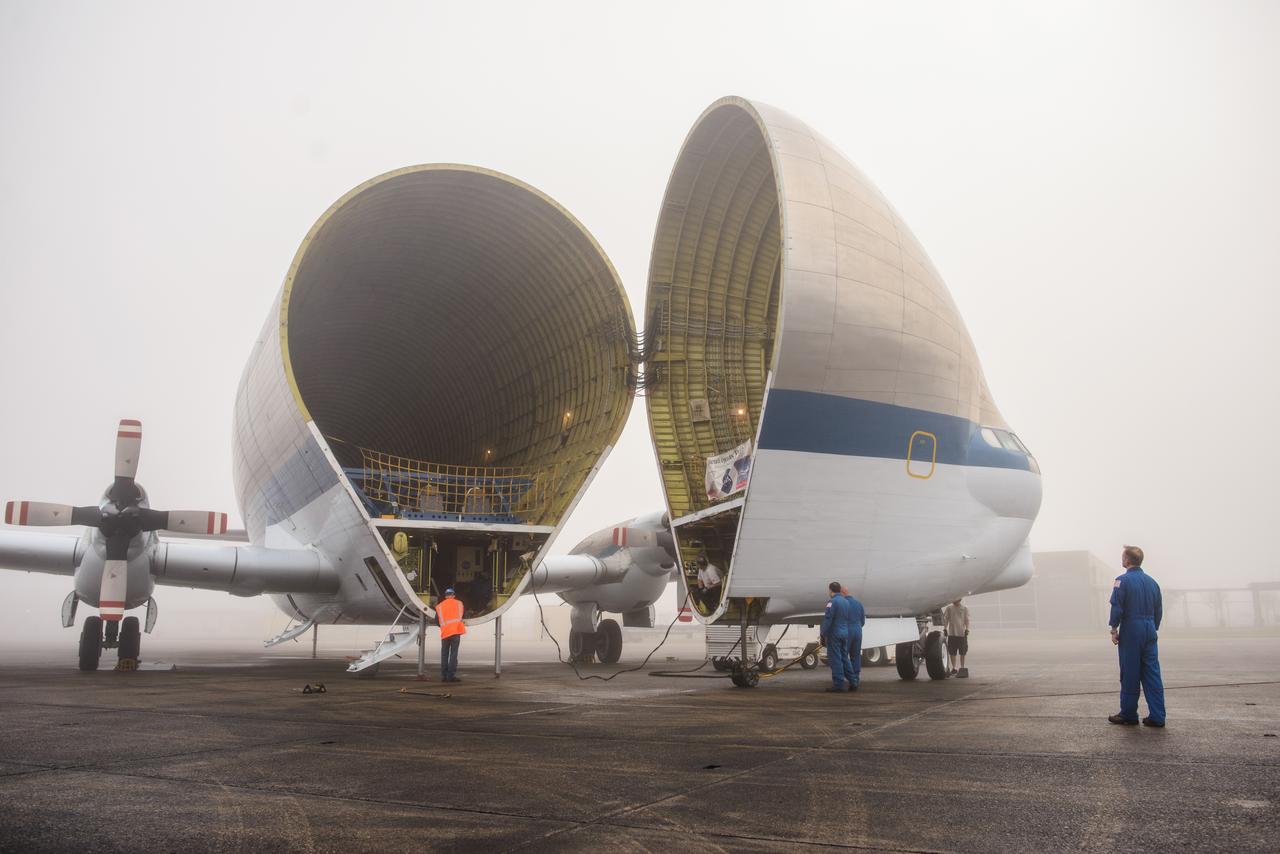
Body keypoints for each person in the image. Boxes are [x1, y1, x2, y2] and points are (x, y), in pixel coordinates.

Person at [1108, 545, 1166, 727]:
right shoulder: (1153, 582)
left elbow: (1117, 606)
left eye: (1122, 556)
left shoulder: (1121, 581)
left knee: (1130, 672)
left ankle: (1128, 714)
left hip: (1132, 628)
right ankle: (1157, 716)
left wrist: (1113, 628)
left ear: (1127, 560)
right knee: (1152, 672)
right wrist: (1152, 628)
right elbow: (1158, 609)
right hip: (1149, 629)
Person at [820, 581, 857, 692]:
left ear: (831, 590)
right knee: (845, 658)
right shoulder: (846, 602)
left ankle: (838, 685)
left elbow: (828, 619)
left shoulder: (832, 602)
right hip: (844, 633)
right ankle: (853, 681)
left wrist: (823, 632)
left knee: (835, 659)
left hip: (834, 634)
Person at [436, 587, 467, 683]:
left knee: (444, 654)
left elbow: (437, 621)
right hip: (455, 632)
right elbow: (463, 616)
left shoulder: (439, 606)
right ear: (453, 595)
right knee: (453, 655)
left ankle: (444, 676)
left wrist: (444, 626)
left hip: (445, 633)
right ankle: (451, 676)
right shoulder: (459, 604)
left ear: (445, 596)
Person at [840, 585, 866, 689]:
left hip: (847, 630)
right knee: (856, 655)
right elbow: (863, 620)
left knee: (843, 656)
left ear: (842, 593)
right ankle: (856, 678)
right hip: (858, 630)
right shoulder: (858, 603)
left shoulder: (843, 604)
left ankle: (850, 679)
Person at [943, 598, 970, 677]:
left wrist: (967, 629)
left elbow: (967, 620)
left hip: (962, 634)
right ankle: (954, 668)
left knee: (963, 652)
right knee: (952, 652)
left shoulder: (964, 609)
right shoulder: (949, 608)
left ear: (959, 600)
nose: (954, 601)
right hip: (952, 633)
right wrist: (945, 628)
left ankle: (962, 667)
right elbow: (946, 619)